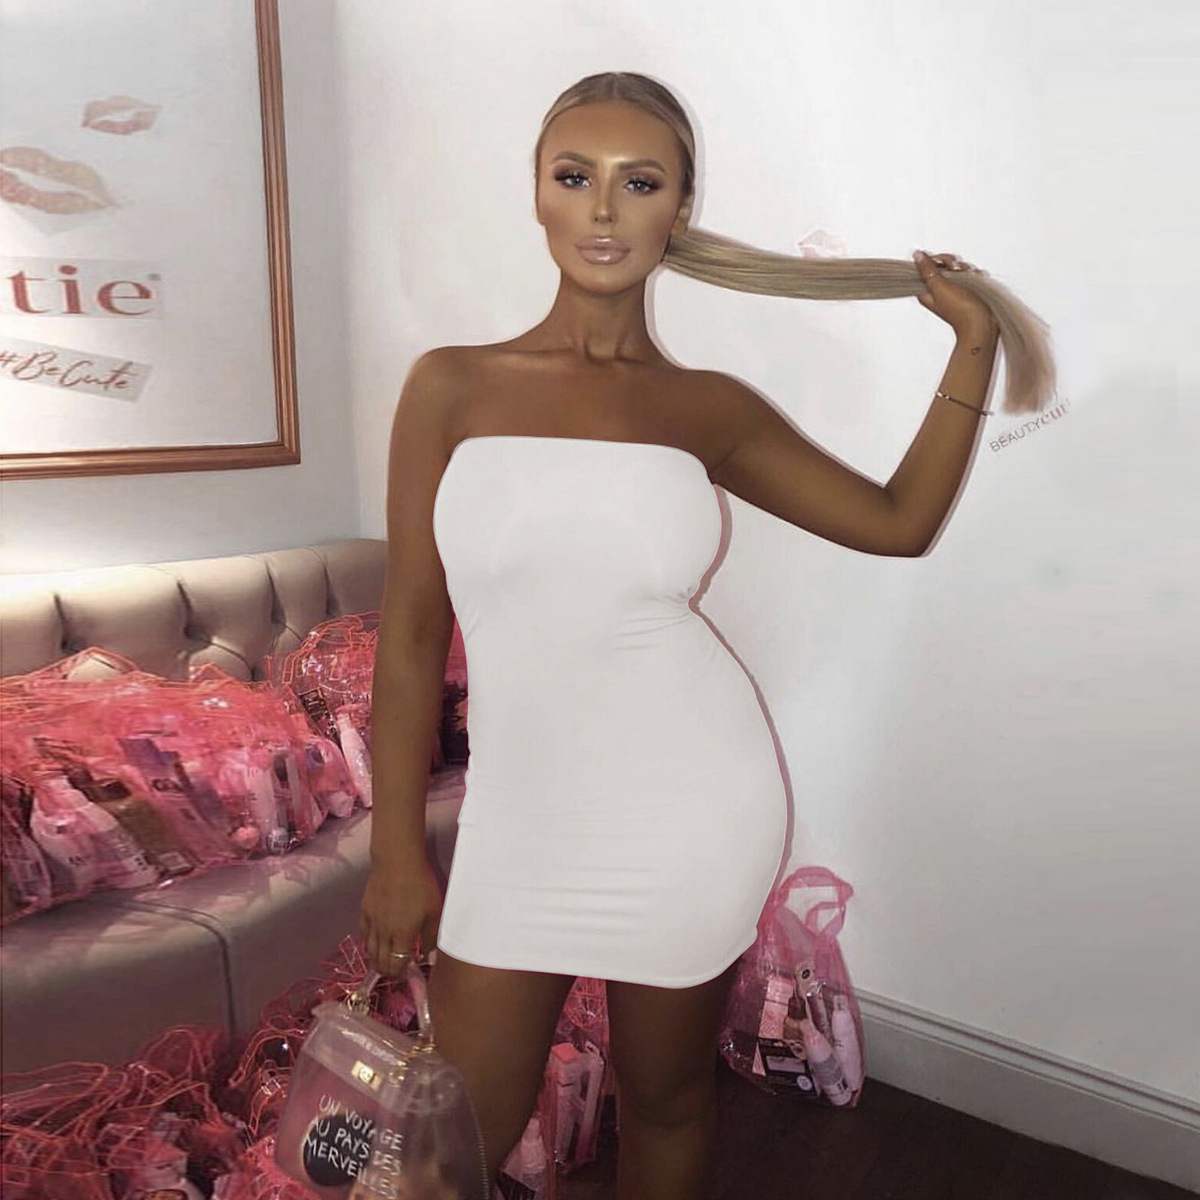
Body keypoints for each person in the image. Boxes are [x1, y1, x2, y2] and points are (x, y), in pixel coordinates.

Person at [361, 71, 1023, 1200]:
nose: (603, 209)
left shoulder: (706, 408)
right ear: (536, 194)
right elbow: (414, 634)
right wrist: (394, 851)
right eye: (576, 176)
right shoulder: (449, 388)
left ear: (680, 206)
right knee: (444, 1148)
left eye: (640, 182)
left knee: (666, 1102)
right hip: (521, 815)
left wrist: (972, 348)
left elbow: (899, 524)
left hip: (690, 808)